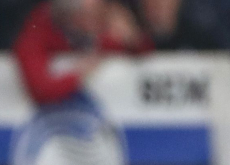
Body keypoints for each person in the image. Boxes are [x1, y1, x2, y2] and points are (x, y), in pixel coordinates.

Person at [13, 0, 151, 106]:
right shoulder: (38, 32)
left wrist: (132, 36)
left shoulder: (103, 28)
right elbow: (40, 90)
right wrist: (78, 73)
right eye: (85, 15)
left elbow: (143, 53)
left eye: (98, 13)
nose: (93, 22)